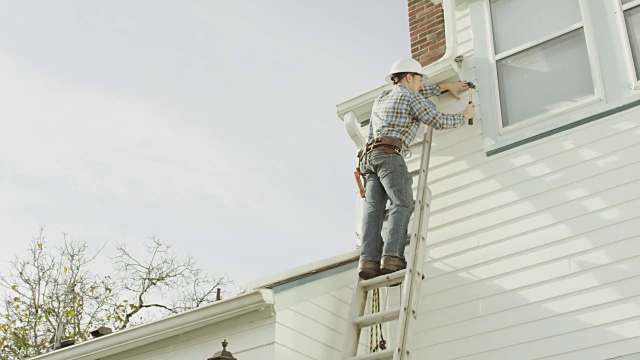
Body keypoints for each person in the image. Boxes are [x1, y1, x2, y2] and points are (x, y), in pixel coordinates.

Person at [357, 58, 475, 280]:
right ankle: (392, 257)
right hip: (390, 155)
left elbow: (421, 91)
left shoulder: (382, 97)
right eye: (420, 79)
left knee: (373, 212)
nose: (422, 85)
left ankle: (369, 261)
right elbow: (436, 120)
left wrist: (445, 87)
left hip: (368, 158)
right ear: (409, 77)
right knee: (402, 203)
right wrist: (464, 116)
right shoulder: (410, 96)